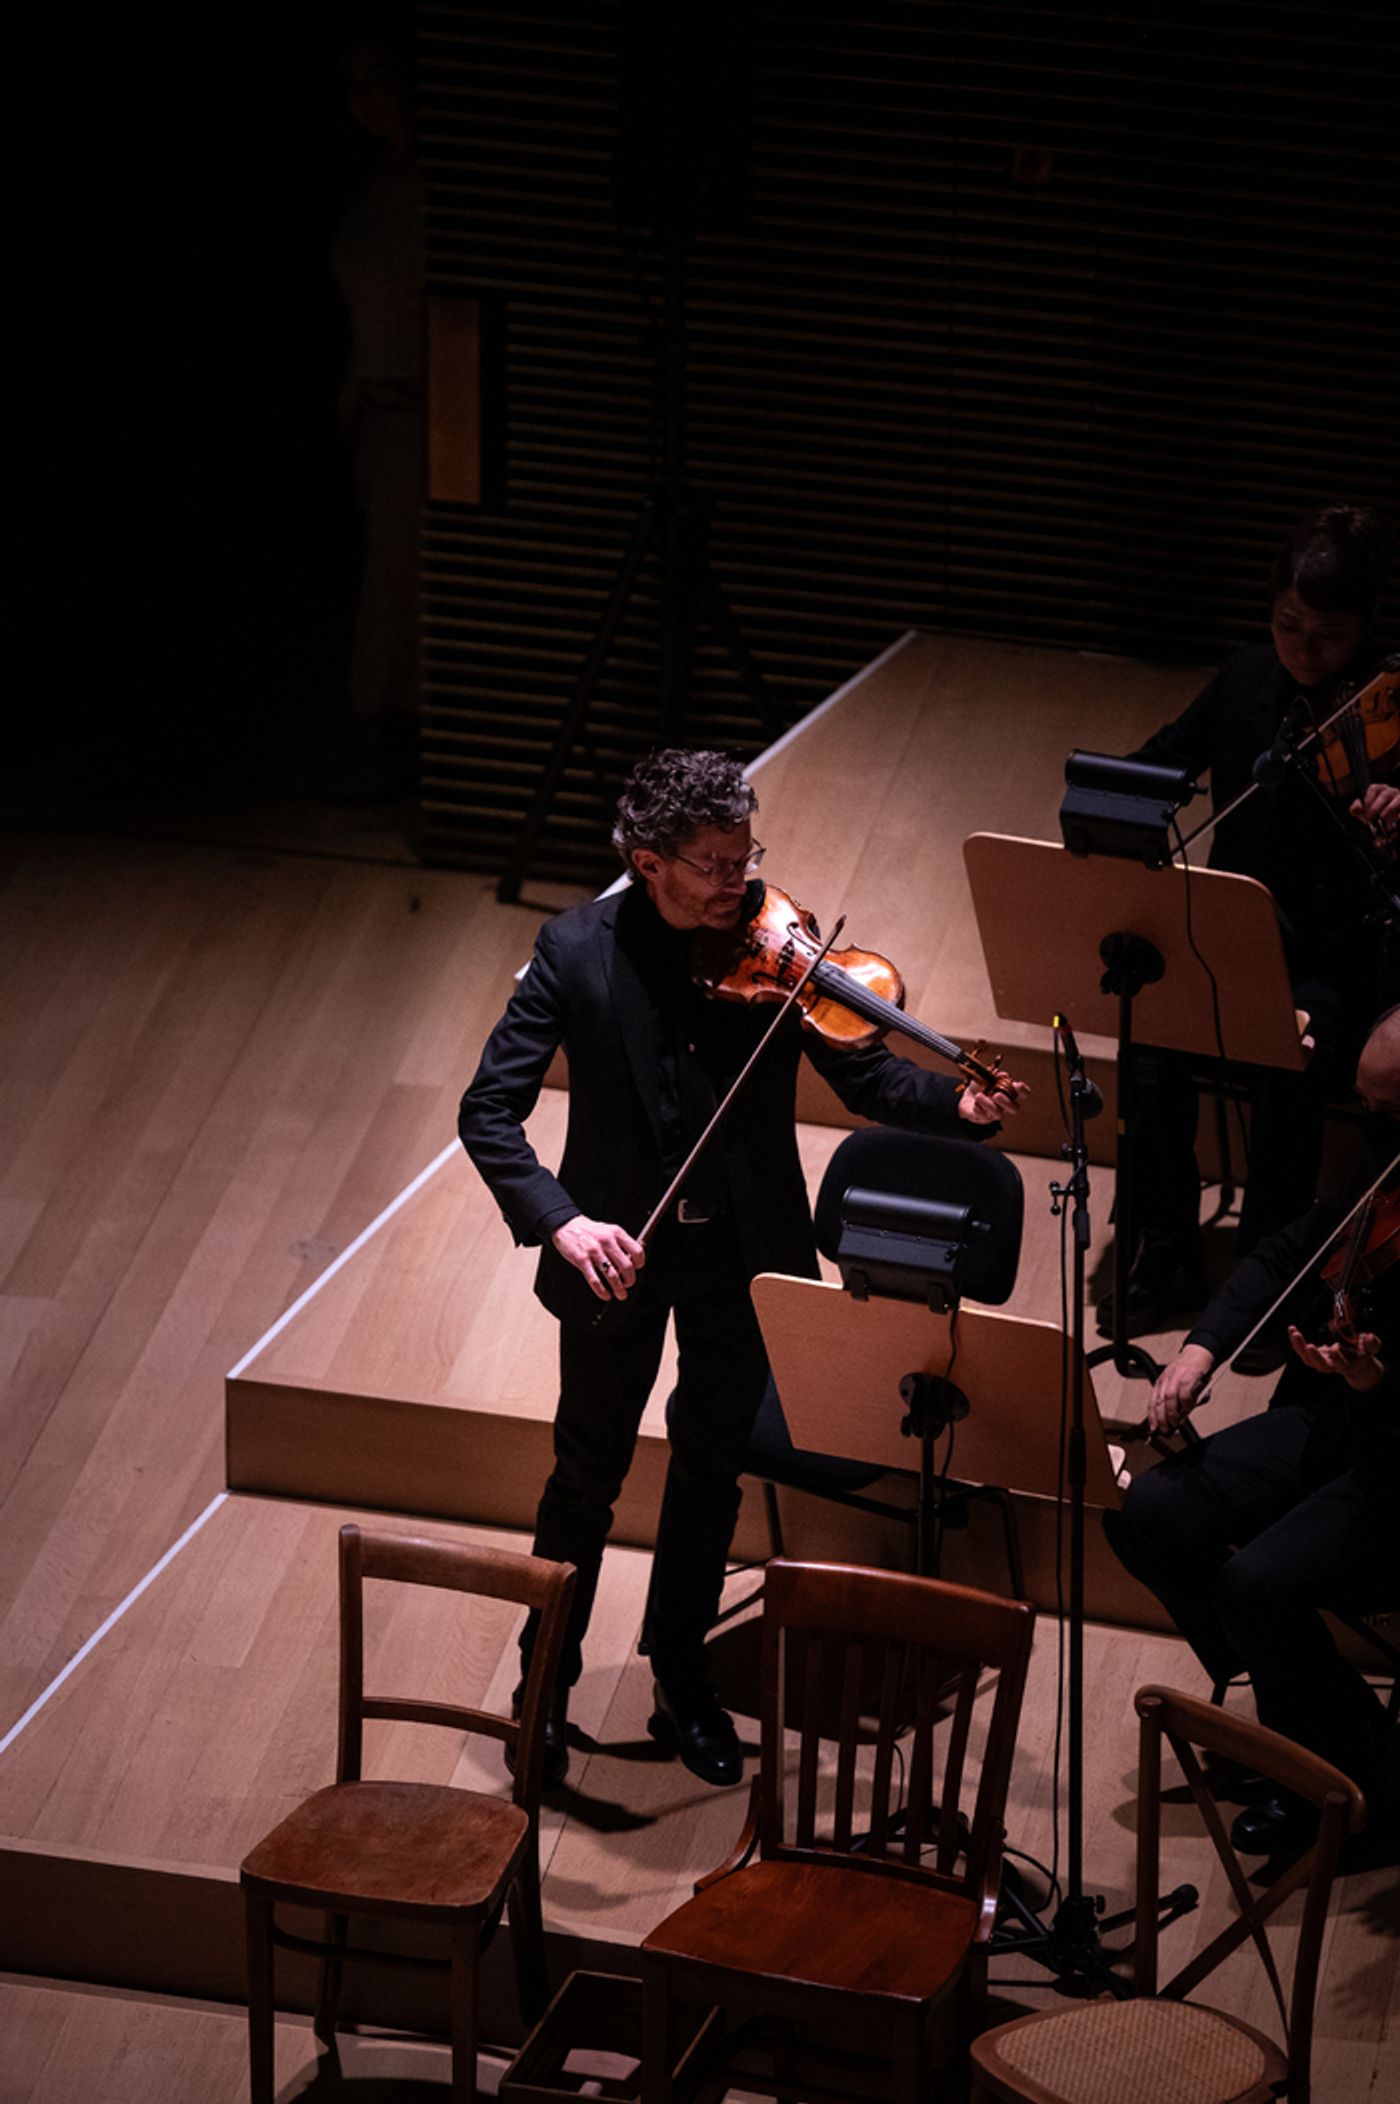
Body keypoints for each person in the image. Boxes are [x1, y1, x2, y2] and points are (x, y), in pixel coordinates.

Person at [458, 748, 1025, 1788]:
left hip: (739, 1256)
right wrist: (563, 1223)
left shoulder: (776, 946)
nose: (740, 880)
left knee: (710, 1467)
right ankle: (544, 1686)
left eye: (744, 853)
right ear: (649, 860)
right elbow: (485, 1112)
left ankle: (681, 1675)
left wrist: (956, 1107)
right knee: (584, 1477)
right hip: (611, 1262)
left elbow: (865, 1073)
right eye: (714, 862)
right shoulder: (574, 950)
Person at [1104, 1006, 1400, 1859]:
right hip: (1330, 1417)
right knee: (1148, 1514)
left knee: (1256, 1587)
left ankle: (1362, 1786)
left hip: (1396, 1458)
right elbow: (1286, 1255)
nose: (1370, 1126)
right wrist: (1200, 1352)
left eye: (1387, 1111)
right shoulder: (1385, 1161)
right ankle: (1299, 1716)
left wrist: (1378, 1379)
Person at [1102, 503, 1398, 1337]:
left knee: (1294, 1055)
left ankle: (1269, 1273)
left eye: (1329, 634)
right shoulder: (1243, 679)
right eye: (1287, 625)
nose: (1304, 650)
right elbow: (1163, 759)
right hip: (1226, 938)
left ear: (1365, 627)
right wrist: (1103, 795)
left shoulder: (1387, 707)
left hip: (1336, 956)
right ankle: (1164, 1249)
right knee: (1149, 1037)